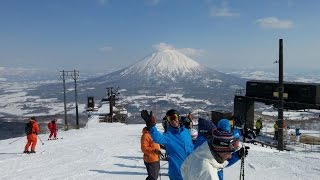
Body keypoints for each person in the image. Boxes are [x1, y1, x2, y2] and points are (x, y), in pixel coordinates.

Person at [181, 119, 249, 180]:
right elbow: (218, 163)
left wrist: (237, 155)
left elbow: (183, 168)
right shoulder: (209, 172)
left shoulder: (205, 148)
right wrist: (236, 155)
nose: (230, 156)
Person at [141, 109, 194, 180]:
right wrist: (150, 125)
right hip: (177, 173)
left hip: (191, 170)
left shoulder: (186, 132)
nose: (172, 120)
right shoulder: (168, 136)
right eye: (170, 119)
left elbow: (192, 146)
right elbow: (157, 138)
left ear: (178, 117)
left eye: (174, 117)